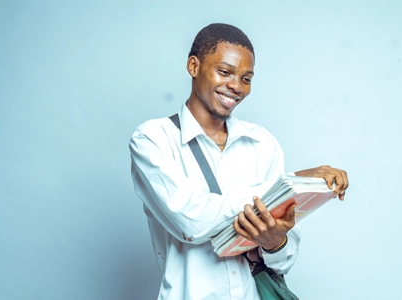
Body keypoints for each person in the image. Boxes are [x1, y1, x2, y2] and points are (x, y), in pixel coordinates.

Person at [129, 23, 349, 300]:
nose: (236, 87)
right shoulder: (152, 139)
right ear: (194, 66)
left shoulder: (263, 143)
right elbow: (191, 222)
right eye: (224, 72)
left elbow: (286, 259)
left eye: (246, 78)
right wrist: (285, 185)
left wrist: (274, 243)